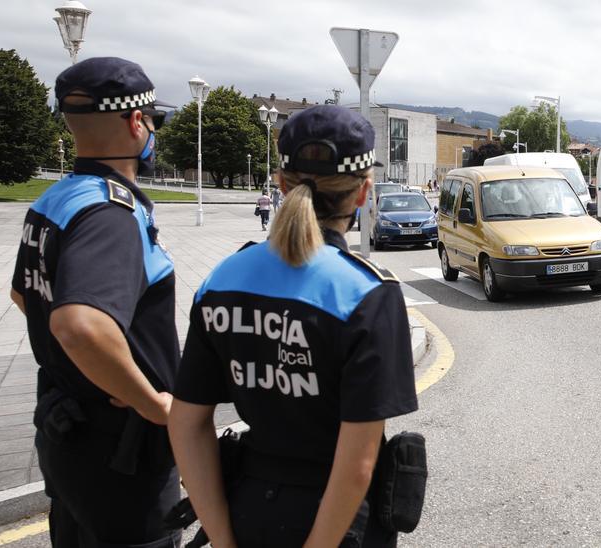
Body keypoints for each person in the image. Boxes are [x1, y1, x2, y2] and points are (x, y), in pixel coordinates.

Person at [169, 105, 418, 548]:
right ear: (364, 193)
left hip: (248, 510)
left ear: (281, 185)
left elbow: (186, 423)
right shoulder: (367, 293)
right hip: (337, 522)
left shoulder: (223, 279)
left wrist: (225, 539)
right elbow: (357, 460)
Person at [9, 57, 180, 548]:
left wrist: (86, 371)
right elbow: (79, 325)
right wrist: (151, 403)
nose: (152, 131)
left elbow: (24, 293)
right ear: (135, 122)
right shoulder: (109, 214)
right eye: (153, 121)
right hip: (121, 451)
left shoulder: (56, 199)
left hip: (68, 433)